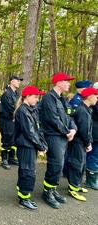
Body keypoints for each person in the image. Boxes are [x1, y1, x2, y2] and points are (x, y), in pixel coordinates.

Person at [39, 72, 77, 209]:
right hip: (53, 136)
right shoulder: (49, 98)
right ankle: (47, 192)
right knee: (56, 164)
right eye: (66, 81)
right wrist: (67, 132)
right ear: (58, 82)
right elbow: (52, 119)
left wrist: (73, 129)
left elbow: (70, 116)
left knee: (59, 166)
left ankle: (52, 189)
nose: (68, 84)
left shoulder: (62, 99)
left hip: (63, 136)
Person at [14, 86, 47, 210]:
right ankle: (24, 198)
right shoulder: (23, 111)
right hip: (26, 145)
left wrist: (42, 144)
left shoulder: (32, 109)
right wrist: (41, 146)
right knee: (28, 172)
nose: (37, 100)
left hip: (30, 145)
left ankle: (23, 192)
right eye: (35, 97)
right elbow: (30, 132)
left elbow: (38, 129)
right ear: (27, 97)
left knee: (26, 170)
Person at [67, 87, 98, 201]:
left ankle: (76, 185)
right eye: (96, 96)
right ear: (90, 96)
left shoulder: (86, 109)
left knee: (82, 164)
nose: (97, 99)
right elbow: (84, 130)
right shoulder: (82, 110)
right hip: (78, 142)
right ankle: (73, 188)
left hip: (81, 142)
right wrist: (88, 143)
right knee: (77, 164)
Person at [0, 75, 23, 169]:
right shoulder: (7, 94)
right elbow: (11, 108)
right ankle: (4, 159)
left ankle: (11, 157)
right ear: (12, 81)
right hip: (7, 121)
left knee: (14, 140)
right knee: (7, 139)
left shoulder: (16, 94)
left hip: (14, 120)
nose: (19, 82)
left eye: (20, 81)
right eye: (17, 80)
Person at [86, 82, 98, 190]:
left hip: (95, 132)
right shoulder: (95, 101)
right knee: (94, 157)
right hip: (95, 133)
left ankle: (93, 178)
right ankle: (91, 180)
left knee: (94, 156)